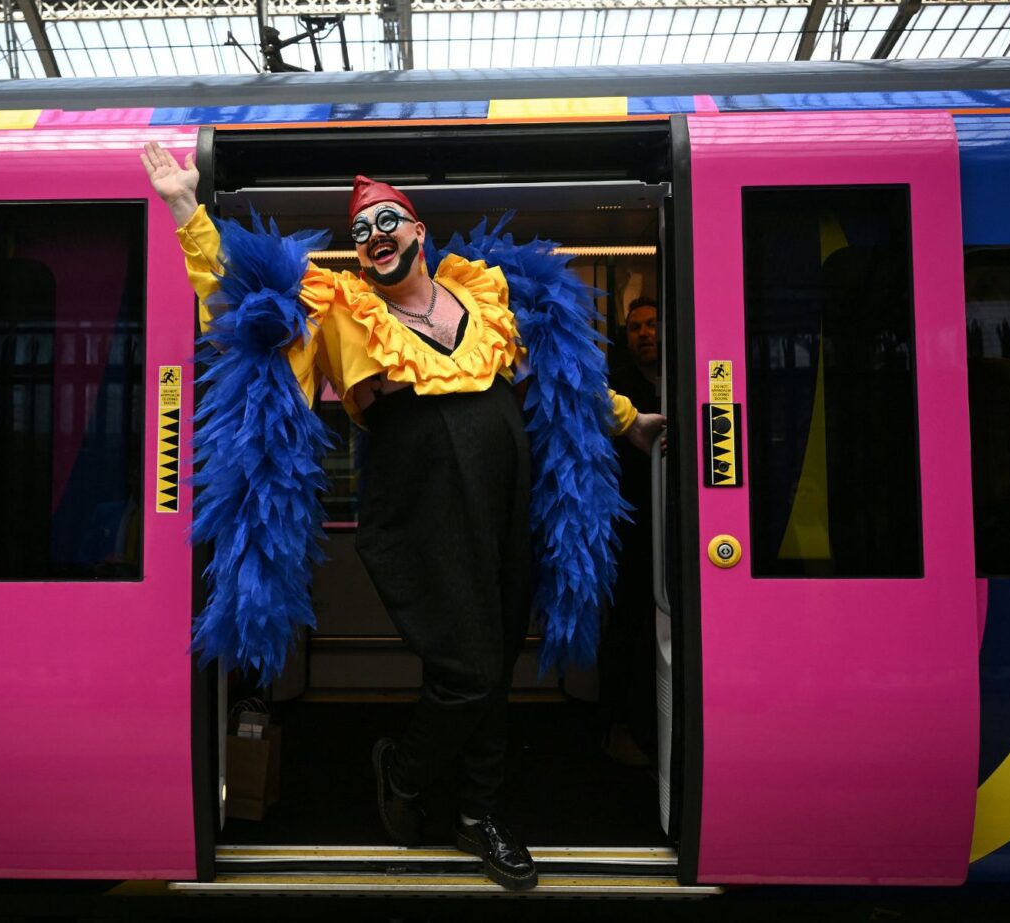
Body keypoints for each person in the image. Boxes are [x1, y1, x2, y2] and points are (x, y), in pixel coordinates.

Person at [141, 142, 664, 891]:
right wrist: (187, 210)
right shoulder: (343, 310)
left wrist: (626, 420)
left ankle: (479, 812)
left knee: (498, 657)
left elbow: (560, 373)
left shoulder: (482, 293)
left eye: (387, 221)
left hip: (502, 492)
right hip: (417, 497)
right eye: (360, 232)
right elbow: (242, 300)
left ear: (417, 231)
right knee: (466, 667)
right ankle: (406, 767)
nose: (373, 236)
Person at [601, 298, 662, 766]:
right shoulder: (616, 386)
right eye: (635, 327)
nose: (645, 333)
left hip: (674, 522)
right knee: (625, 626)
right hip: (627, 521)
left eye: (653, 324)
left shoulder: (687, 375)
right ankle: (620, 728)